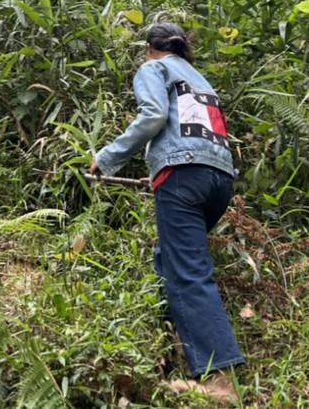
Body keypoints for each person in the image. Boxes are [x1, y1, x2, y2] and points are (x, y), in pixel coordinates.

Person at [90, 21, 244, 403]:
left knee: (188, 270)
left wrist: (107, 158)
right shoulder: (199, 79)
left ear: (149, 48)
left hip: (184, 177)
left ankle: (219, 382)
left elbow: (154, 117)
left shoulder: (153, 68)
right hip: (219, 179)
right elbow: (194, 134)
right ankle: (172, 349)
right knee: (170, 260)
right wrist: (160, 173)